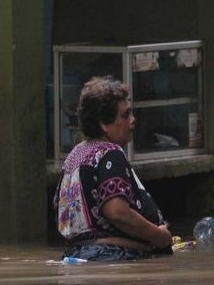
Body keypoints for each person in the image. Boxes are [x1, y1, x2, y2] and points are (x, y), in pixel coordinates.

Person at [54, 76, 173, 261]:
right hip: (112, 257)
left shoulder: (74, 156)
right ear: (103, 124)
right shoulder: (110, 153)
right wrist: (159, 236)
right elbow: (116, 212)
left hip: (77, 255)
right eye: (125, 115)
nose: (133, 120)